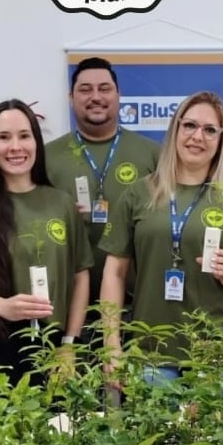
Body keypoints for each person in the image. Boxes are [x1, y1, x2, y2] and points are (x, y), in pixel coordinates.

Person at [99, 90, 223, 378]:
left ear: (222, 139)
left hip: (222, 351)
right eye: (189, 125)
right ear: (175, 130)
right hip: (153, 348)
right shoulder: (139, 193)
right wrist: (111, 343)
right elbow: (114, 273)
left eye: (210, 130)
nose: (197, 137)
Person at [0, 99, 93, 384]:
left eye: (24, 136)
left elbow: (80, 276)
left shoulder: (61, 203)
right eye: (3, 137)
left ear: (36, 142)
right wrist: (3, 307)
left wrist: (69, 343)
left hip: (53, 345)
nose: (15, 147)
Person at [45, 57, 160, 304]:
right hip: (66, 304)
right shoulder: (45, 157)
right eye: (85, 89)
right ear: (71, 97)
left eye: (104, 89)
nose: (95, 97)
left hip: (137, 306)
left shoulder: (153, 154)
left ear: (119, 95)